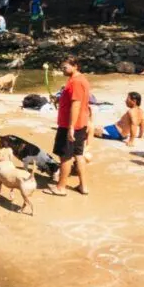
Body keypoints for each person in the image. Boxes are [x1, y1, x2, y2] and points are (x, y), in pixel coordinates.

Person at [47, 56, 91, 196]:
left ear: (75, 66)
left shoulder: (76, 82)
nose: (63, 69)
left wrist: (71, 127)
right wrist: (60, 99)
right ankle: (83, 186)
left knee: (65, 156)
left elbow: (76, 104)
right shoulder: (80, 79)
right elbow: (75, 99)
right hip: (81, 124)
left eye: (65, 67)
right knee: (78, 154)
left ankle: (61, 187)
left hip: (70, 125)